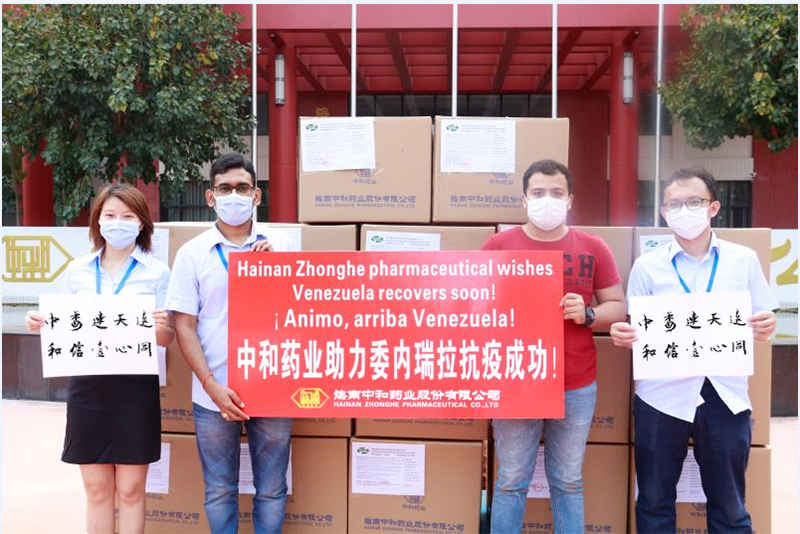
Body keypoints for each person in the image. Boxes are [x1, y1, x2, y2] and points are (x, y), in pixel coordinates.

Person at [610, 167, 777, 534]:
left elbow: (764, 315)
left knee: (730, 505)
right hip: (660, 396)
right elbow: (636, 325)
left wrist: (767, 323)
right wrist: (624, 333)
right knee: (653, 500)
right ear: (663, 212)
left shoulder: (744, 259)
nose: (683, 210)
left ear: (713, 207)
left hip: (724, 393)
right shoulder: (647, 267)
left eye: (694, 202)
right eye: (674, 204)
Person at [482, 159, 627, 534]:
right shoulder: (498, 246)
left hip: (575, 383)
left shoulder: (592, 247)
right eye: (538, 192)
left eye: (556, 192)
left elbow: (617, 305)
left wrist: (589, 313)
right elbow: (472, 306)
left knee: (568, 480)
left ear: (570, 199)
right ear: (524, 199)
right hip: (516, 382)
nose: (547, 199)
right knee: (510, 480)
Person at [26, 183, 174, 534]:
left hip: (135, 388)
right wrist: (41, 322)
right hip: (88, 387)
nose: (118, 222)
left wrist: (161, 328)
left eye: (128, 216)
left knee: (131, 489)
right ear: (98, 221)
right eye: (110, 215)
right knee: (96, 489)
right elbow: (63, 325)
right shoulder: (77, 270)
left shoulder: (158, 273)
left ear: (142, 223)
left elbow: (168, 338)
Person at [165, 153, 294, 534]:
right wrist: (210, 385)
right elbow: (184, 325)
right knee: (219, 490)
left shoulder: (283, 245)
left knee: (272, 489)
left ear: (256, 195)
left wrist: (279, 271)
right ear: (210, 197)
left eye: (242, 188)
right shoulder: (192, 254)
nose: (233, 195)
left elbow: (303, 313)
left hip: (273, 387)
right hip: (213, 392)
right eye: (225, 189)